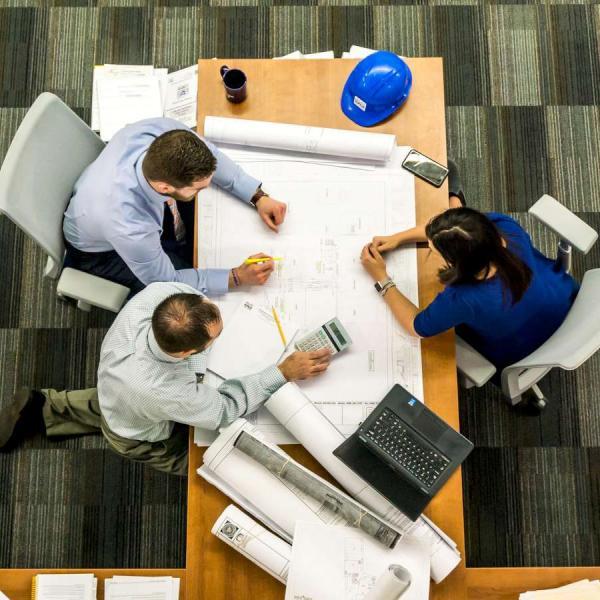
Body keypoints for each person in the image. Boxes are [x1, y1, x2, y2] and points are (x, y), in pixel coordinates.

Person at [0, 283, 331, 474]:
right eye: (214, 339)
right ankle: (50, 412)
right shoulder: (162, 391)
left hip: (115, 385)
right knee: (208, 463)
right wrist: (282, 372)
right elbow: (224, 409)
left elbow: (194, 300)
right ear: (185, 353)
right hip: (138, 432)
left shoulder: (163, 295)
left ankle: (44, 408)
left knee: (109, 402)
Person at [360, 165, 578, 413]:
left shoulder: (463, 298)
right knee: (451, 176)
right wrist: (399, 237)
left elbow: (416, 326)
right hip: (564, 299)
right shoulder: (504, 227)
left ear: (456, 263)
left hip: (519, 348)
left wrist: (382, 279)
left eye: (434, 250)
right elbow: (454, 229)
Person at [63, 117, 288, 296]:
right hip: (101, 253)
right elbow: (167, 281)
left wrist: (257, 196)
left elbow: (212, 156)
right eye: (198, 188)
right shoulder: (129, 226)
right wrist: (236, 277)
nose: (205, 190)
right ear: (165, 187)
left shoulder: (162, 133)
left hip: (103, 199)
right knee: (182, 298)